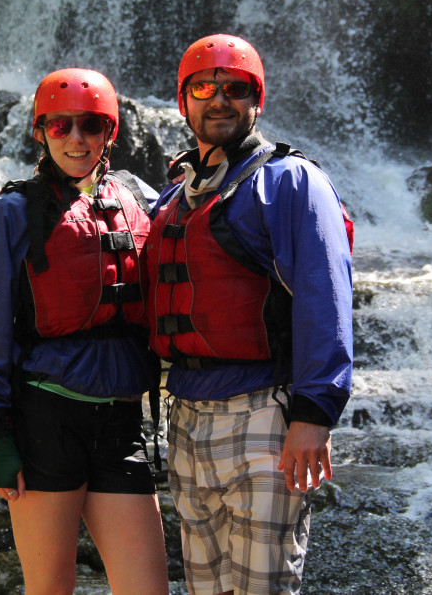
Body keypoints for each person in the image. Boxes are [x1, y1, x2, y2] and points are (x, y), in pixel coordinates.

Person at [143, 35, 353, 595]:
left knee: (263, 587)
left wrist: (315, 413)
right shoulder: (173, 196)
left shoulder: (289, 181)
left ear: (256, 100)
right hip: (185, 415)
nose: (219, 100)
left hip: (265, 413)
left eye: (235, 89)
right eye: (204, 88)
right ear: (183, 101)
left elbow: (324, 296)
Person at [0, 68, 170, 595]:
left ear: (110, 133)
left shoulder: (141, 202)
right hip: (43, 422)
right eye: (61, 126)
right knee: (50, 586)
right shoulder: (9, 216)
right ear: (40, 132)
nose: (77, 139)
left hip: (121, 423)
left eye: (91, 126)